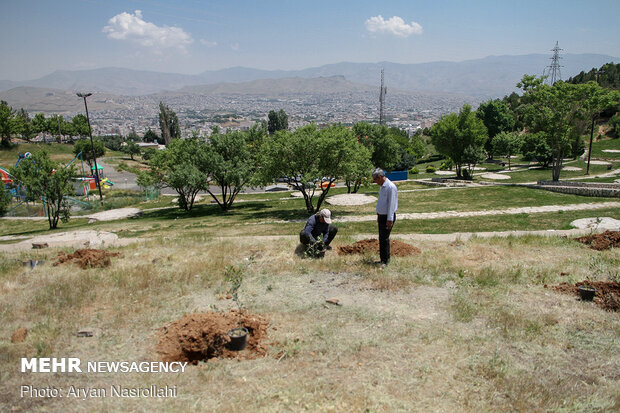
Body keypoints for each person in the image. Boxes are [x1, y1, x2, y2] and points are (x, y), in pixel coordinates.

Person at [372, 168, 398, 266]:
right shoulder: (382, 186)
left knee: (384, 238)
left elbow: (391, 205)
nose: (375, 182)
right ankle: (382, 259)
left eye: (375, 180)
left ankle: (385, 261)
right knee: (381, 238)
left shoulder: (390, 187)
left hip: (387, 217)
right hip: (382, 216)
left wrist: (389, 219)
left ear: (379, 177)